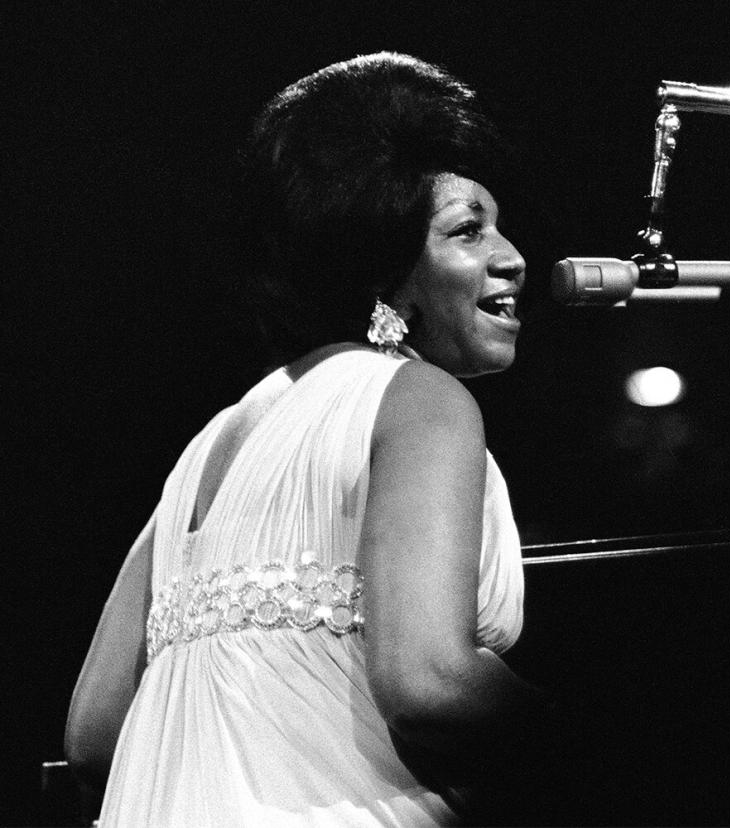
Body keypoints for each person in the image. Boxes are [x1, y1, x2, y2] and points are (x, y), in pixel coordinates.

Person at [64, 52, 549, 825]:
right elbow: (427, 684)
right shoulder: (419, 400)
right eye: (468, 231)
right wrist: (600, 733)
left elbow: (93, 738)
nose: (513, 257)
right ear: (383, 268)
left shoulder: (210, 444)